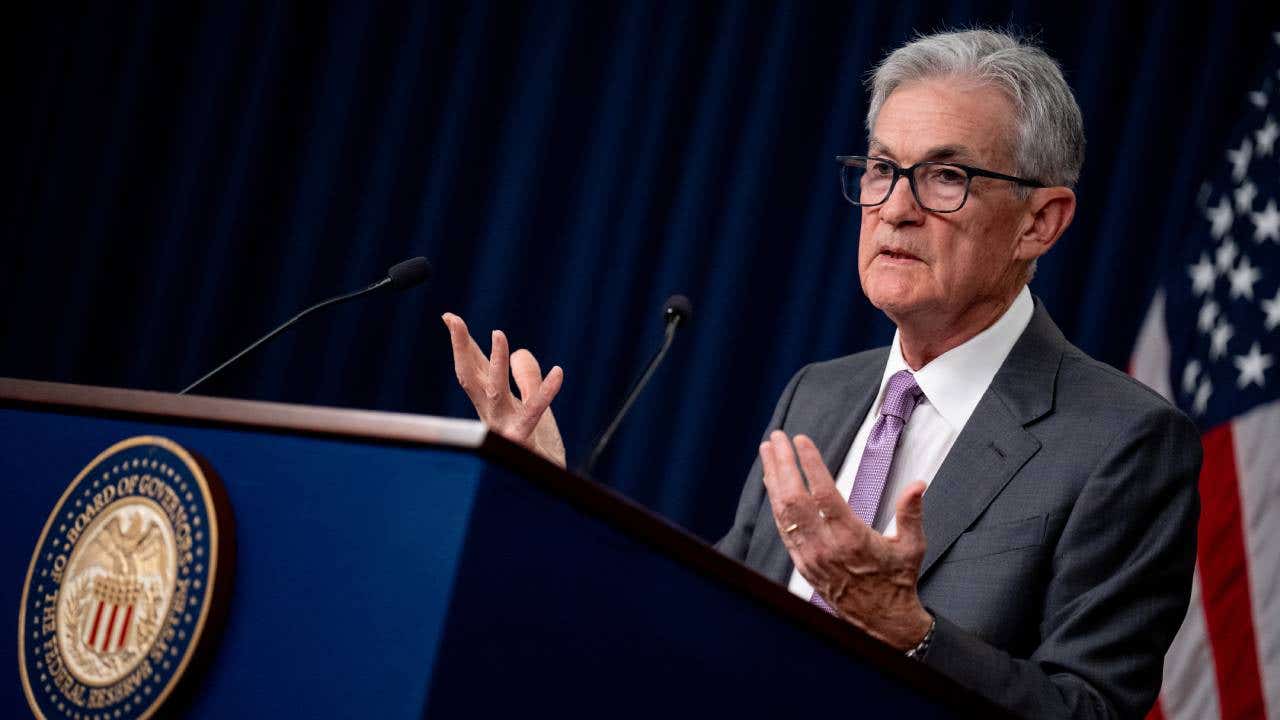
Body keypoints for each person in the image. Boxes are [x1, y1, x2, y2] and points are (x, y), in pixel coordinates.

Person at [441, 29, 1200, 720]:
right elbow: (696, 613)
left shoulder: (1121, 442)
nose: (895, 208)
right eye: (880, 169)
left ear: (1041, 221)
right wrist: (549, 496)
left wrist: (908, 633)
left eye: (946, 177)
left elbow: (1088, 712)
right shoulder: (821, 392)